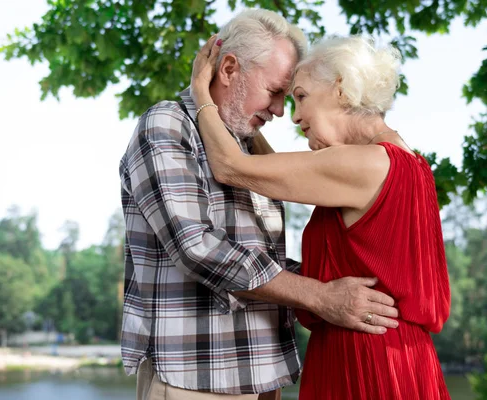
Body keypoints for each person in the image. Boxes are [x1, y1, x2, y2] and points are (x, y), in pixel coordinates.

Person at [119, 10, 399, 400]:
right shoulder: (168, 125)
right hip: (197, 378)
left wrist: (344, 292)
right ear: (229, 69)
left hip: (263, 376)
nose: (282, 111)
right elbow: (197, 247)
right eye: (275, 92)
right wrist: (320, 295)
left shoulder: (246, 147)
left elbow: (260, 259)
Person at [190, 34, 452, 399]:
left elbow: (231, 167)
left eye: (300, 96)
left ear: (340, 89)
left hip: (364, 359)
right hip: (400, 357)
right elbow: (265, 169)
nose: (294, 115)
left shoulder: (365, 163)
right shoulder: (410, 164)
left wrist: (201, 92)